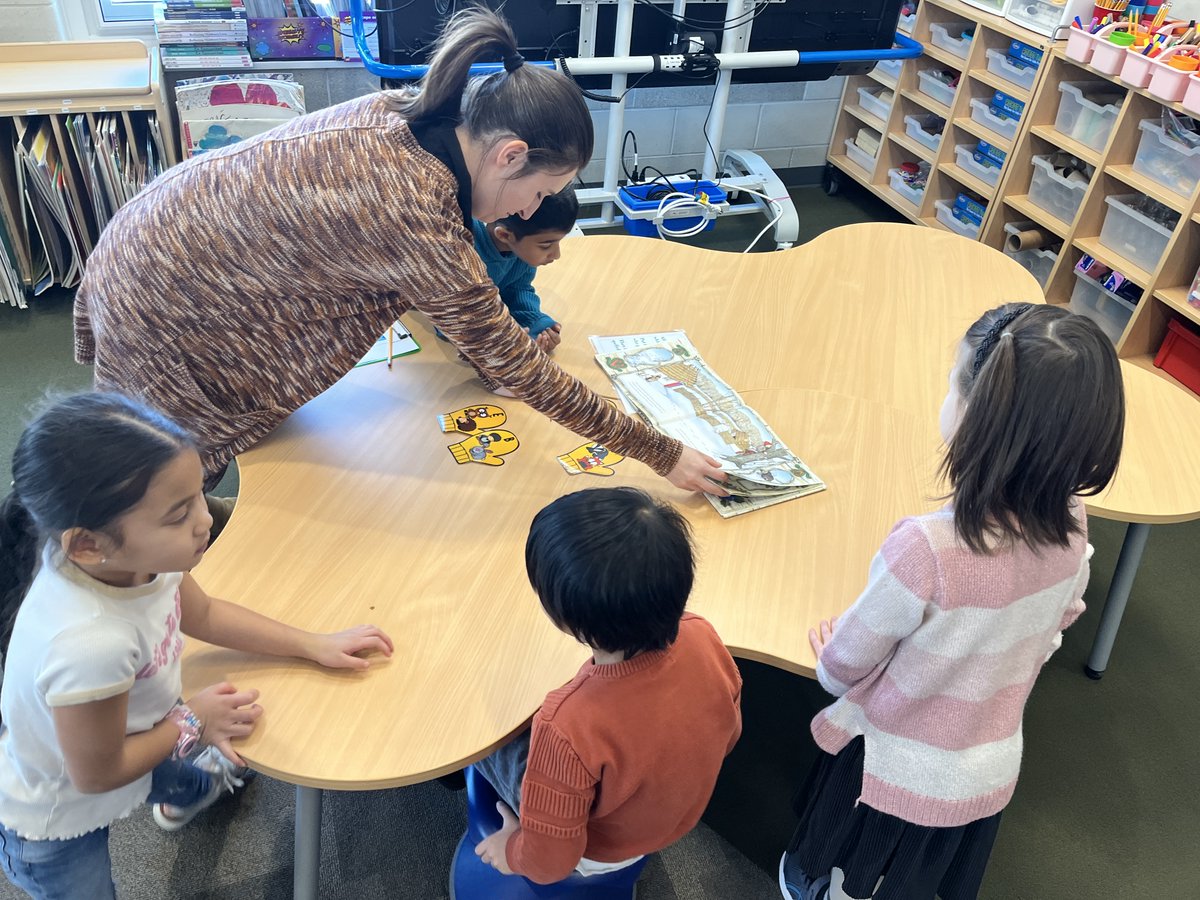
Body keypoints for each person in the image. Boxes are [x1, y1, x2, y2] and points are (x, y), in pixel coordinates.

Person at [72, 8, 726, 507]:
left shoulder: (410, 114)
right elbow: (524, 370)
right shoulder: (419, 214)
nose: (531, 212)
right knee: (154, 487)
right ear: (508, 155)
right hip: (164, 300)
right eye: (540, 192)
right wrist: (661, 453)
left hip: (152, 235)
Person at [778, 303, 1126, 900]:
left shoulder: (928, 547)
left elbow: (840, 670)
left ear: (977, 420)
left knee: (842, 874)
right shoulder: (1073, 519)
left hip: (891, 768)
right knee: (909, 878)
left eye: (953, 383)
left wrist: (832, 650)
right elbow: (1062, 620)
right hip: (984, 765)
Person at [0, 393, 394, 900]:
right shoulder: (89, 643)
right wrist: (192, 721)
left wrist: (311, 644)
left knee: (179, 775)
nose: (205, 520)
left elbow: (203, 613)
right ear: (88, 545)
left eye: (198, 498)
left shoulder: (141, 559)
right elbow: (99, 773)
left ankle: (194, 790)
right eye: (178, 514)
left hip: (136, 729)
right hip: (57, 814)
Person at [472, 487, 743, 884]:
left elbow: (550, 862)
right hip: (672, 820)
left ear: (564, 619)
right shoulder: (703, 635)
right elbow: (729, 733)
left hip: (597, 851)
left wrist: (512, 849)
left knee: (482, 735)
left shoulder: (568, 723)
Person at [474, 186, 576, 358]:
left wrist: (535, 321)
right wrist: (505, 338)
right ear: (505, 236)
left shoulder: (520, 248)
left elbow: (515, 288)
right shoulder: (464, 252)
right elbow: (452, 319)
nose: (556, 255)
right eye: (546, 245)